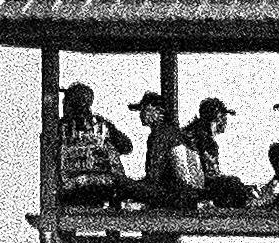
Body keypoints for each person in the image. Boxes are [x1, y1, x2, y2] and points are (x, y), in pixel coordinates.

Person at [58, 79, 131, 208]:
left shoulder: (60, 128)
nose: (64, 105)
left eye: (66, 102)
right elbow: (126, 147)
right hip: (101, 187)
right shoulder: (102, 125)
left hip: (75, 188)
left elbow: (126, 147)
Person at [188, 95, 255, 209]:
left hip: (194, 185)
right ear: (214, 119)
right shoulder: (206, 141)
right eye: (222, 117)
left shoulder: (194, 134)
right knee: (233, 183)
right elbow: (211, 174)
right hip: (200, 188)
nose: (225, 121)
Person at [127, 90, 189, 205]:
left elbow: (154, 174)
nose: (141, 114)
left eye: (145, 110)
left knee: (122, 185)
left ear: (158, 111)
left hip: (168, 191)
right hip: (175, 189)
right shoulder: (169, 132)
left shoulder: (160, 135)